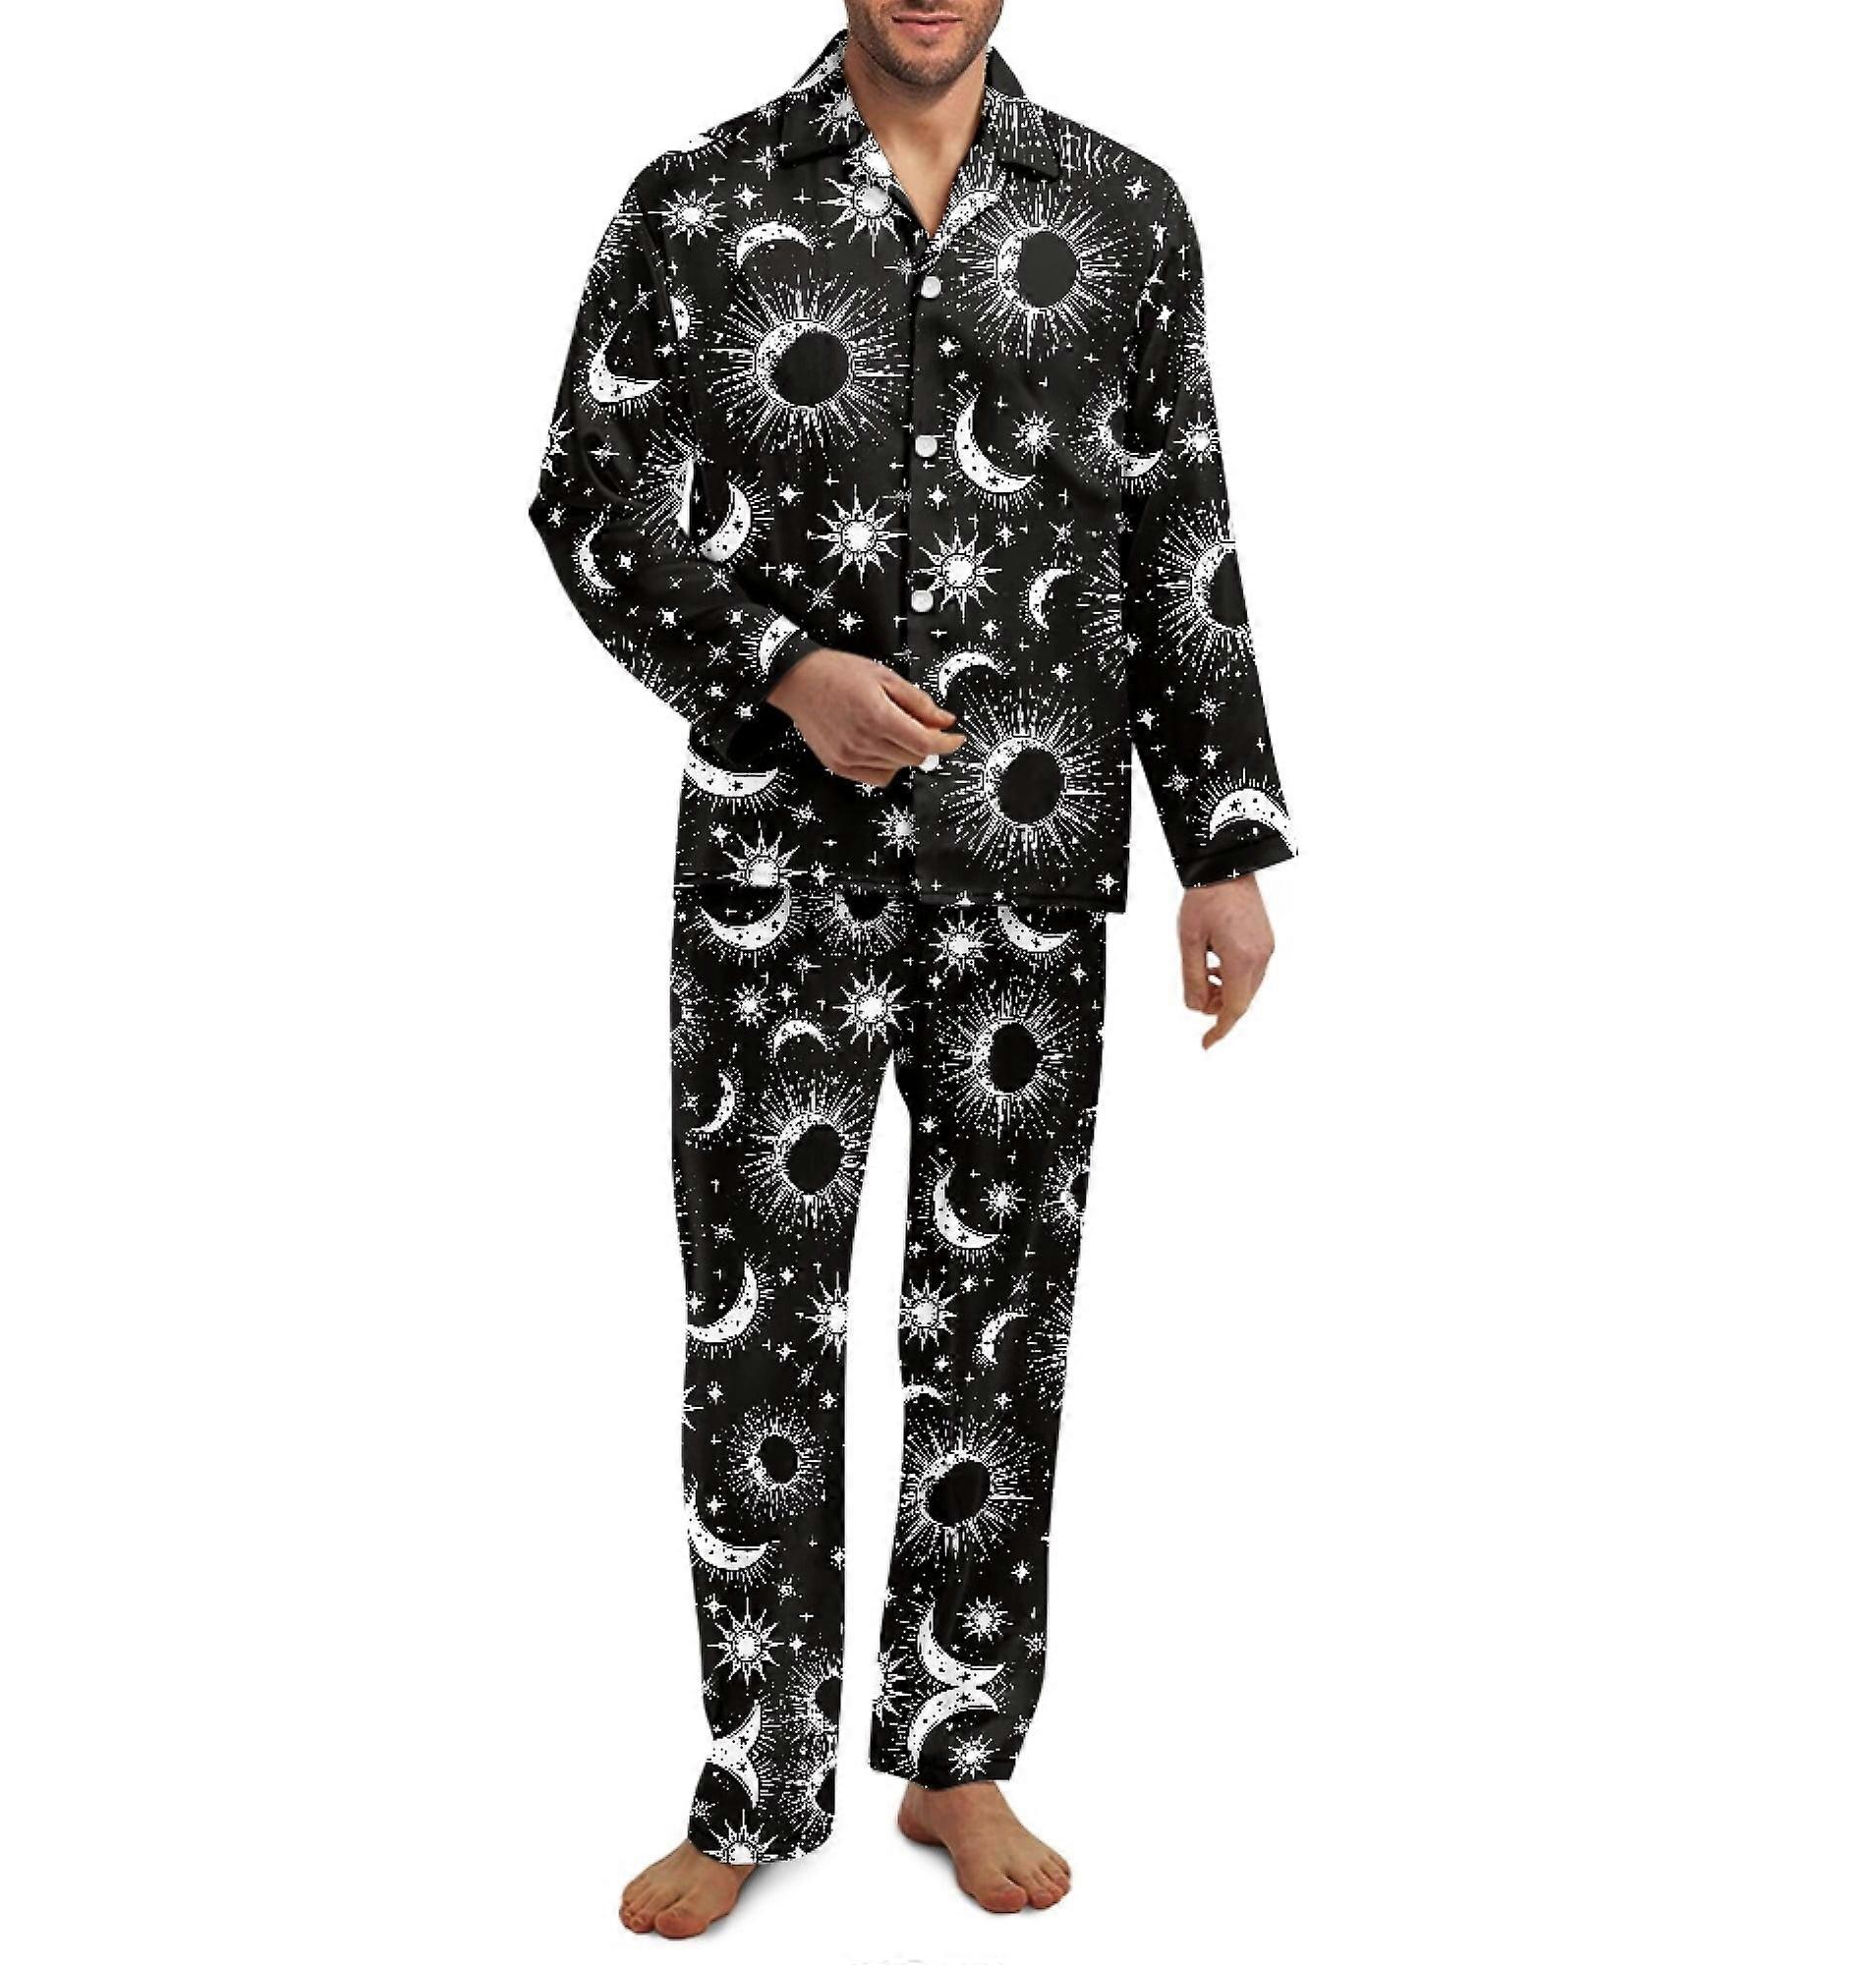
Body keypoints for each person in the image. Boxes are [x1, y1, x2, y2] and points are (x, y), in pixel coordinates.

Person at [530, 0, 1294, 1937]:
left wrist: (1220, 842)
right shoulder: (698, 202)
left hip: (1031, 868)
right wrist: (777, 670)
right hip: (772, 871)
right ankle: (758, 1782)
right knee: (758, 1327)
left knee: (1000, 1319)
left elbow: (1177, 519)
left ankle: (955, 1754)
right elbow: (586, 492)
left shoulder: (1124, 210)